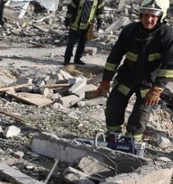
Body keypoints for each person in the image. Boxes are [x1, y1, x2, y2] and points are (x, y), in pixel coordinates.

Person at [94, 0, 173, 146]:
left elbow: (169, 65)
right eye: (146, 15)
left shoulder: (167, 35)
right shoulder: (129, 30)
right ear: (141, 14)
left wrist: (157, 88)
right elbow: (114, 57)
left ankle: (132, 143)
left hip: (149, 82)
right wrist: (106, 80)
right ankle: (113, 137)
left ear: (161, 17)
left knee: (141, 114)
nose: (149, 19)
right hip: (126, 77)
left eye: (153, 16)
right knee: (113, 106)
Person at [63, 0, 104, 65]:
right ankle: (67, 60)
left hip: (87, 27)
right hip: (75, 26)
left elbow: (100, 11)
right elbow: (71, 8)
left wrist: (100, 21)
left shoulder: (98, 1)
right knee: (71, 44)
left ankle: (77, 59)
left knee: (82, 45)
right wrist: (67, 20)